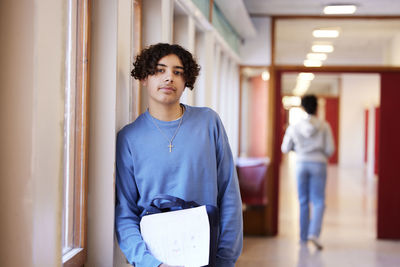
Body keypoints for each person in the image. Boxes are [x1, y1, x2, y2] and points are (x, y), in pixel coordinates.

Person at [115, 43, 243, 267]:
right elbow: (126, 211)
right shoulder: (129, 138)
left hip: (208, 256)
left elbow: (228, 192)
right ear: (144, 77)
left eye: (177, 72)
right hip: (155, 258)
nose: (168, 78)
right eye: (159, 70)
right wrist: (149, 263)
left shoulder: (208, 122)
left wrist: (224, 258)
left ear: (186, 82)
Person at [281, 94, 335, 250]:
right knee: (318, 201)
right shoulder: (324, 126)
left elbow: (285, 148)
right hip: (319, 164)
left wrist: (297, 149)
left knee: (303, 200)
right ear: (317, 107)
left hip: (301, 163)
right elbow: (330, 149)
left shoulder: (294, 127)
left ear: (303, 107)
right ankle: (314, 234)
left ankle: (303, 236)